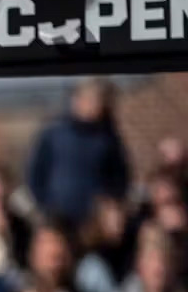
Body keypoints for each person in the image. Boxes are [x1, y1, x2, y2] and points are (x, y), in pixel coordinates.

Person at [26, 78, 130, 224]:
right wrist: (46, 205)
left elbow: (120, 176)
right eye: (90, 99)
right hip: (59, 217)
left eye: (98, 100)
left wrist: (111, 202)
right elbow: (35, 174)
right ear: (76, 100)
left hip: (96, 221)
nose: (94, 105)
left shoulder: (107, 136)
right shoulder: (54, 133)